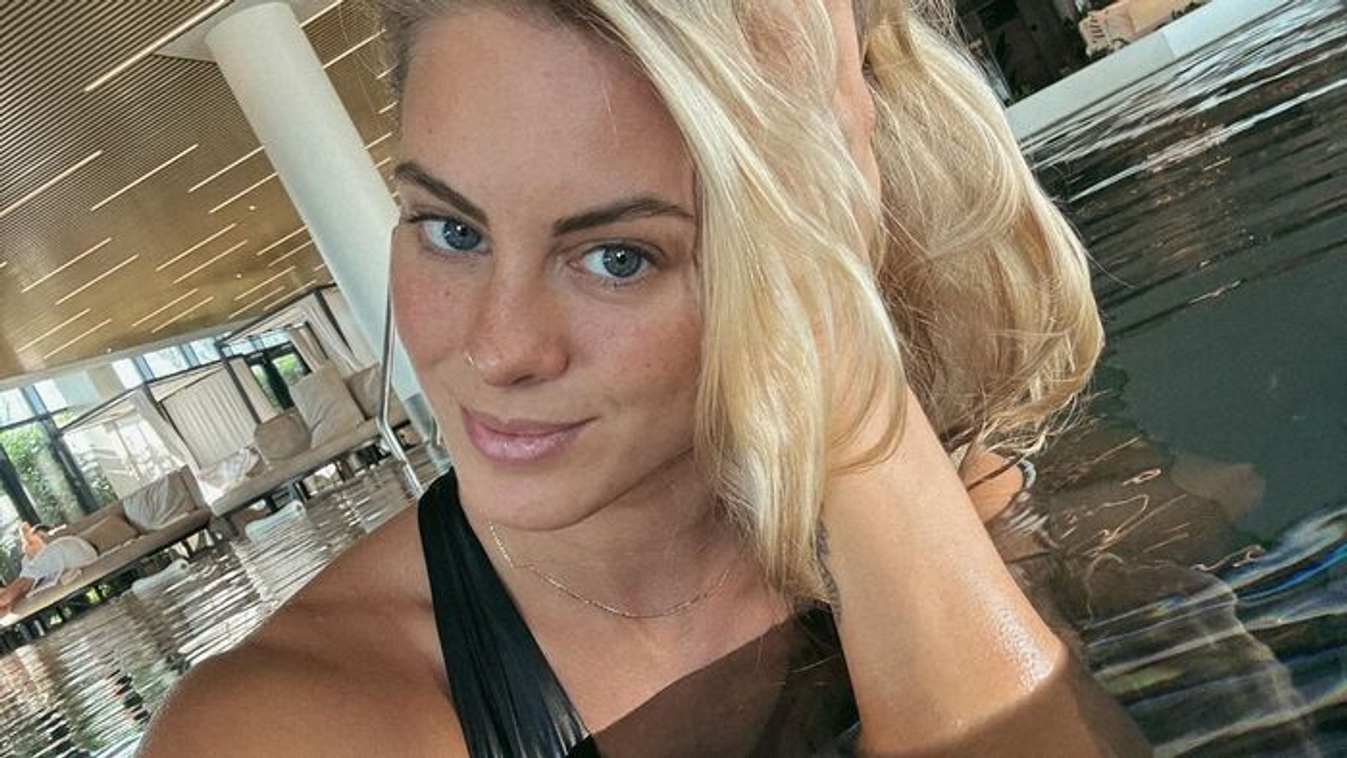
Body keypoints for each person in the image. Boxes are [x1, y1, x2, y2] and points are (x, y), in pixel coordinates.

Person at [142, 1, 1151, 755]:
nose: (498, 349)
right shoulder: (285, 724)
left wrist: (840, 365)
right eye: (451, 231)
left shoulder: (947, 480)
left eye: (617, 256)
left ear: (795, 247)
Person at [0, 523, 99, 615]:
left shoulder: (41, 560)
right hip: (71, 554)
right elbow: (20, 591)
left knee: (27, 578)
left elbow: (17, 591)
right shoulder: (32, 566)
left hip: (73, 552)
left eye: (43, 536)